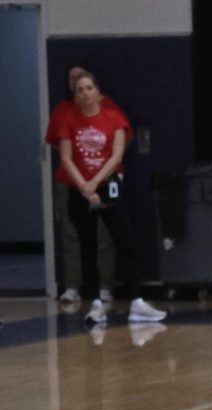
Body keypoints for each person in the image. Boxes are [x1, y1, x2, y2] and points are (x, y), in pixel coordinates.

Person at [51, 72, 166, 325]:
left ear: (97, 91)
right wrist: (83, 186)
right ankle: (95, 304)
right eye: (79, 89)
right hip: (79, 189)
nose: (85, 93)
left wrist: (96, 182)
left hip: (106, 186)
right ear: (75, 95)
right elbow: (66, 158)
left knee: (125, 241)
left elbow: (116, 157)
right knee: (87, 246)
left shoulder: (113, 118)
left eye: (89, 88)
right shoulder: (68, 120)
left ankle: (137, 302)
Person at [45, 65, 129, 304]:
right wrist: (79, 172)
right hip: (71, 180)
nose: (80, 87)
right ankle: (73, 285)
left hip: (103, 179)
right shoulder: (63, 111)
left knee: (105, 235)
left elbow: (120, 143)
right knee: (72, 234)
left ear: (95, 88)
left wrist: (98, 175)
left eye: (85, 84)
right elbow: (57, 143)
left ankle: (105, 286)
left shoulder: (109, 109)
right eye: (73, 80)